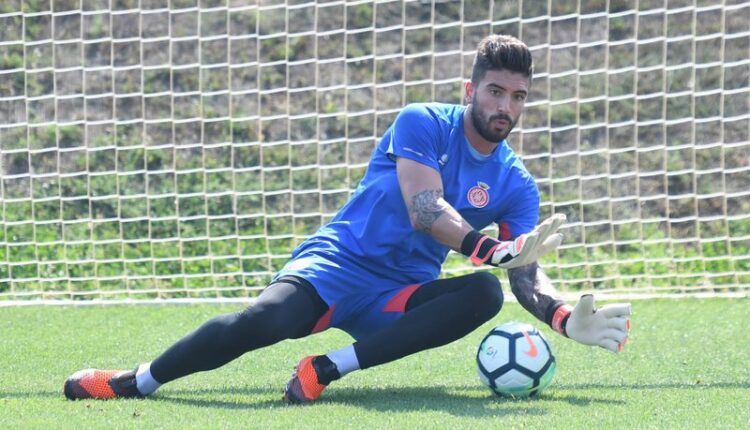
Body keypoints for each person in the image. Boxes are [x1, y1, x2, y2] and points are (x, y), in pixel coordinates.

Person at [64, 34, 631, 403]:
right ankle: (136, 380)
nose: (505, 106)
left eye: (518, 96)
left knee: (483, 295)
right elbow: (424, 209)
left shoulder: (516, 183)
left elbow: (523, 271)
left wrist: (559, 315)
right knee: (260, 323)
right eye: (495, 91)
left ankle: (328, 369)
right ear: (471, 90)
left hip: (397, 294)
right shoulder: (423, 122)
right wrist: (487, 248)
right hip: (338, 265)